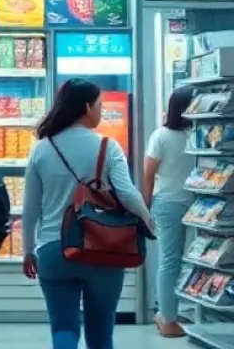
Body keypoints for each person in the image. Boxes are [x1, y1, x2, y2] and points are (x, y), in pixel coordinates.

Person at [22, 79, 154, 349]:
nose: (101, 110)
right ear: (86, 107)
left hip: (53, 249)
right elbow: (127, 194)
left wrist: (28, 250)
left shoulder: (41, 148)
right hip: (102, 247)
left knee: (63, 328)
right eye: (99, 105)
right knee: (101, 333)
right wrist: (147, 221)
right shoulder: (108, 147)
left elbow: (30, 208)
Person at [143, 86, 195, 338]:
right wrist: (145, 206)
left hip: (171, 202)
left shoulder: (162, 136)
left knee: (173, 259)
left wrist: (147, 203)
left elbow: (149, 172)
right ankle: (168, 317)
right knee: (172, 260)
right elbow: (148, 173)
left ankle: (169, 311)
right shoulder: (181, 135)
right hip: (184, 203)